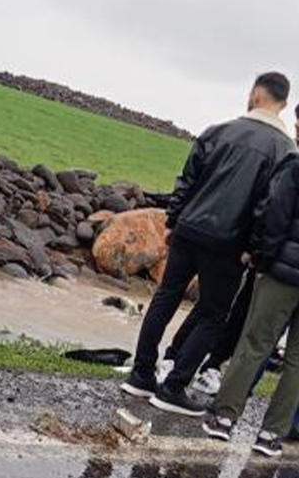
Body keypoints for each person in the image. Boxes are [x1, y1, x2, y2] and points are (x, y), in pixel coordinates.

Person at [122, 72, 295, 416]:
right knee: (214, 315)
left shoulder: (217, 131)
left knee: (165, 298)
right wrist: (255, 249)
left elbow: (187, 179)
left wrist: (173, 221)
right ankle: (173, 387)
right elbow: (269, 207)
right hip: (230, 243)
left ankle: (141, 374)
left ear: (254, 95)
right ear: (284, 105)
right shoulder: (284, 150)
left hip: (189, 229)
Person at [203, 152, 299, 457]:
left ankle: (224, 417)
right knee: (298, 361)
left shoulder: (295, 167)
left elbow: (275, 213)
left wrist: (262, 258)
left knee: (256, 343)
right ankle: (271, 434)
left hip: (282, 272)